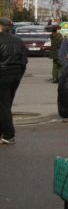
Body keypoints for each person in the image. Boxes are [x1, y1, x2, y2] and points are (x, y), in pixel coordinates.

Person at [0, 17, 28, 145]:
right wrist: (19, 74)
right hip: (15, 75)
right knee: (6, 105)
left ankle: (9, 135)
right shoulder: (19, 40)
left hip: (3, 75)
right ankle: (4, 132)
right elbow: (24, 61)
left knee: (3, 106)